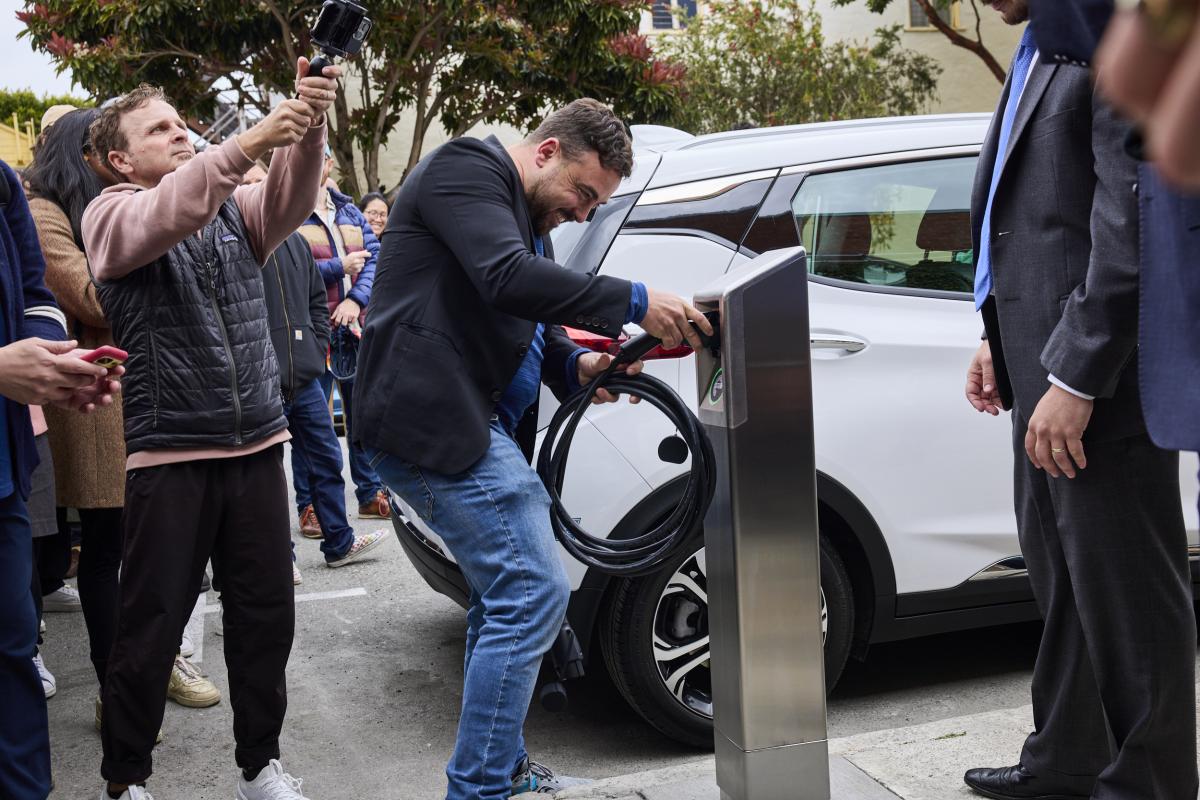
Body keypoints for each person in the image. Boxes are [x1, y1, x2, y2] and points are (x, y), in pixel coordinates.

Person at [354, 98, 712, 800]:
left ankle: (502, 770)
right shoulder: (466, 170)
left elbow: (531, 316)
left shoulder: (526, 215)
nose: (583, 213)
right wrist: (635, 299)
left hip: (455, 423)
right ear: (546, 151)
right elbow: (505, 278)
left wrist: (578, 368)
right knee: (533, 588)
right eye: (584, 194)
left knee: (504, 596)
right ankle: (484, 786)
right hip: (432, 424)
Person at [81, 57, 339, 800]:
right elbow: (171, 212)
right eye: (159, 129)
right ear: (120, 160)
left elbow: (289, 199)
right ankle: (126, 780)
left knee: (266, 624)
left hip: (258, 444)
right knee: (150, 629)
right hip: (169, 456)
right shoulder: (110, 215)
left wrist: (310, 119)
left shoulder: (230, 206)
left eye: (181, 122)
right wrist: (253, 139)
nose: (181, 133)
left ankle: (259, 766)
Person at [961, 3, 1196, 799]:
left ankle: (1151, 783)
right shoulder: (1038, 47)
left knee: (1131, 601)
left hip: (1100, 385)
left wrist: (1077, 376)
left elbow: (1129, 221)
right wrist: (998, 335)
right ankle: (1064, 757)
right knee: (1064, 581)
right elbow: (1025, 218)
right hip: (1036, 364)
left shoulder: (1109, 47)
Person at [25, 106, 222, 725]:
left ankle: (145, 672)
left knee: (126, 551)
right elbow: (88, 293)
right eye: (95, 149)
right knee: (81, 552)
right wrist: (142, 260)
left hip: (132, 396)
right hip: (80, 407)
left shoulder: (108, 209)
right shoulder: (43, 213)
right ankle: (112, 686)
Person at [0, 156, 120, 800]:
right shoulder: (50, 209)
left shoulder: (0, 184)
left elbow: (33, 298)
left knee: (15, 654)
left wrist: (56, 363)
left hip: (4, 477)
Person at [243, 164, 389, 571]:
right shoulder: (236, 244)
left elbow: (311, 296)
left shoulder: (292, 241)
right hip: (261, 380)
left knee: (327, 457)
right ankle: (279, 560)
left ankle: (339, 544)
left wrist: (315, 347)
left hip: (304, 375)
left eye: (264, 184)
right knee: (268, 477)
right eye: (250, 186)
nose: (259, 193)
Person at [293, 147, 388, 535]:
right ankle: (309, 505)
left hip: (354, 327)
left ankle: (369, 494)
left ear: (329, 164)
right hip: (313, 330)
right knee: (311, 425)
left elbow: (375, 261)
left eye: (321, 157)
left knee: (361, 418)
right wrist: (339, 269)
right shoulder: (288, 210)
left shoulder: (349, 212)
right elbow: (288, 267)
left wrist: (354, 299)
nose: (314, 163)